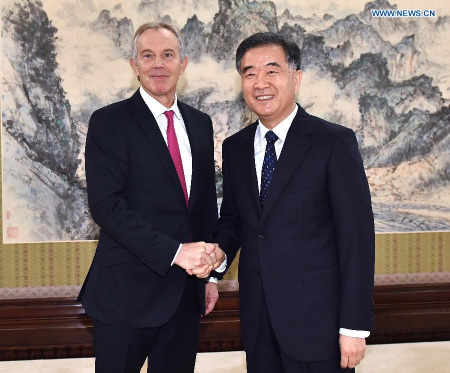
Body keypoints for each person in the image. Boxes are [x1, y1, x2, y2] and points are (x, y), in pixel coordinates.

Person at [214, 32, 375, 373]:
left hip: (320, 326)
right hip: (258, 322)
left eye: (272, 70)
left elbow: (356, 239)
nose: (260, 83)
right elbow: (234, 221)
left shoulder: (333, 142)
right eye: (249, 73)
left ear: (296, 78)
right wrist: (215, 264)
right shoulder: (235, 148)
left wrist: (354, 327)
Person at [78, 22, 225, 373]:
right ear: (134, 65)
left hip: (186, 297)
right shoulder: (108, 122)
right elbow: (107, 206)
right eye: (148, 55)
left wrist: (211, 277)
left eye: (167, 55)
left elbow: (203, 208)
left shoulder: (201, 124)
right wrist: (175, 253)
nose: (158, 64)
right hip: (125, 295)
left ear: (183, 63)